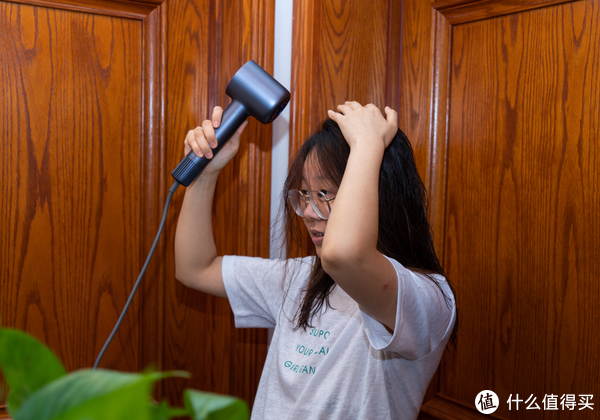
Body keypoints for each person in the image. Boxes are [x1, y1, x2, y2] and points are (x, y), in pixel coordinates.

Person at [174, 101, 457, 420]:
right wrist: (206, 175)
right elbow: (194, 269)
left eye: (324, 194)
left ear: (377, 193)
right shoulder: (301, 277)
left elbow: (346, 256)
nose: (308, 212)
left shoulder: (427, 296)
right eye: (306, 195)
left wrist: (366, 143)